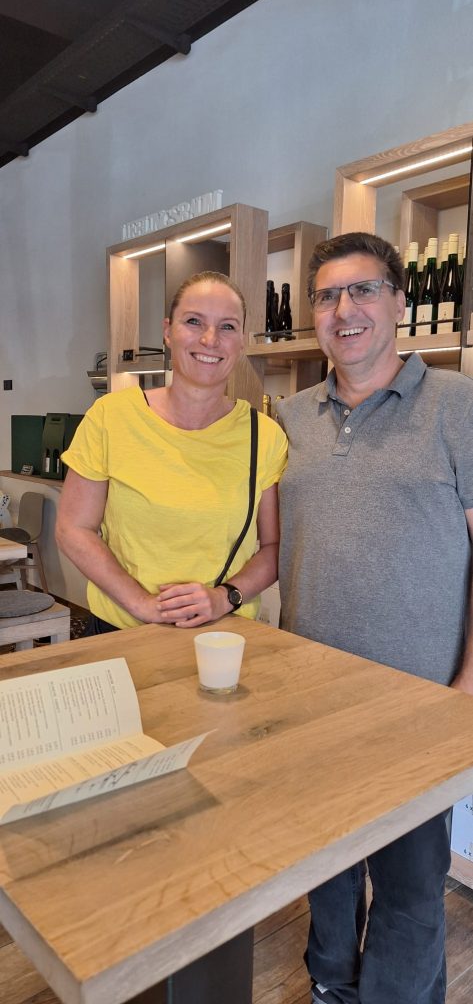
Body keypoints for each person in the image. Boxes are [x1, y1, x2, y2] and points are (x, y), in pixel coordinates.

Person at [276, 232, 473, 1004]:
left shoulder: (457, 403)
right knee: (324, 863)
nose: (343, 309)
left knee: (409, 883)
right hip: (307, 698)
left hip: (414, 701)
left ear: (398, 301)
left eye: (362, 289)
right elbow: (269, 544)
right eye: (326, 295)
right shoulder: (287, 417)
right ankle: (330, 983)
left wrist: (466, 685)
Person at [57, 271, 287, 633]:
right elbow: (73, 528)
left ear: (242, 341)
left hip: (222, 636)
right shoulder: (111, 417)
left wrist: (224, 597)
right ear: (168, 331)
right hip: (120, 631)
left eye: (227, 327)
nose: (210, 339)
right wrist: (142, 604)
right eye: (194, 321)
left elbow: (274, 546)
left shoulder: (265, 436)